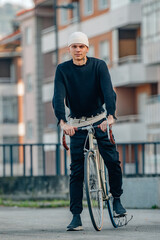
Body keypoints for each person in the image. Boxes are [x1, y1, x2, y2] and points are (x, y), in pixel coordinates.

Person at [52, 32, 127, 231]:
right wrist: (62, 122)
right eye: (74, 46)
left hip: (99, 119)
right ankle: (76, 216)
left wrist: (110, 117)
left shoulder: (98, 66)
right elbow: (58, 97)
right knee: (76, 170)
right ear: (69, 49)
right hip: (76, 124)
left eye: (81, 46)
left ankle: (117, 199)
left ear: (87, 49)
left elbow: (108, 92)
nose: (77, 50)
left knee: (112, 159)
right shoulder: (63, 70)